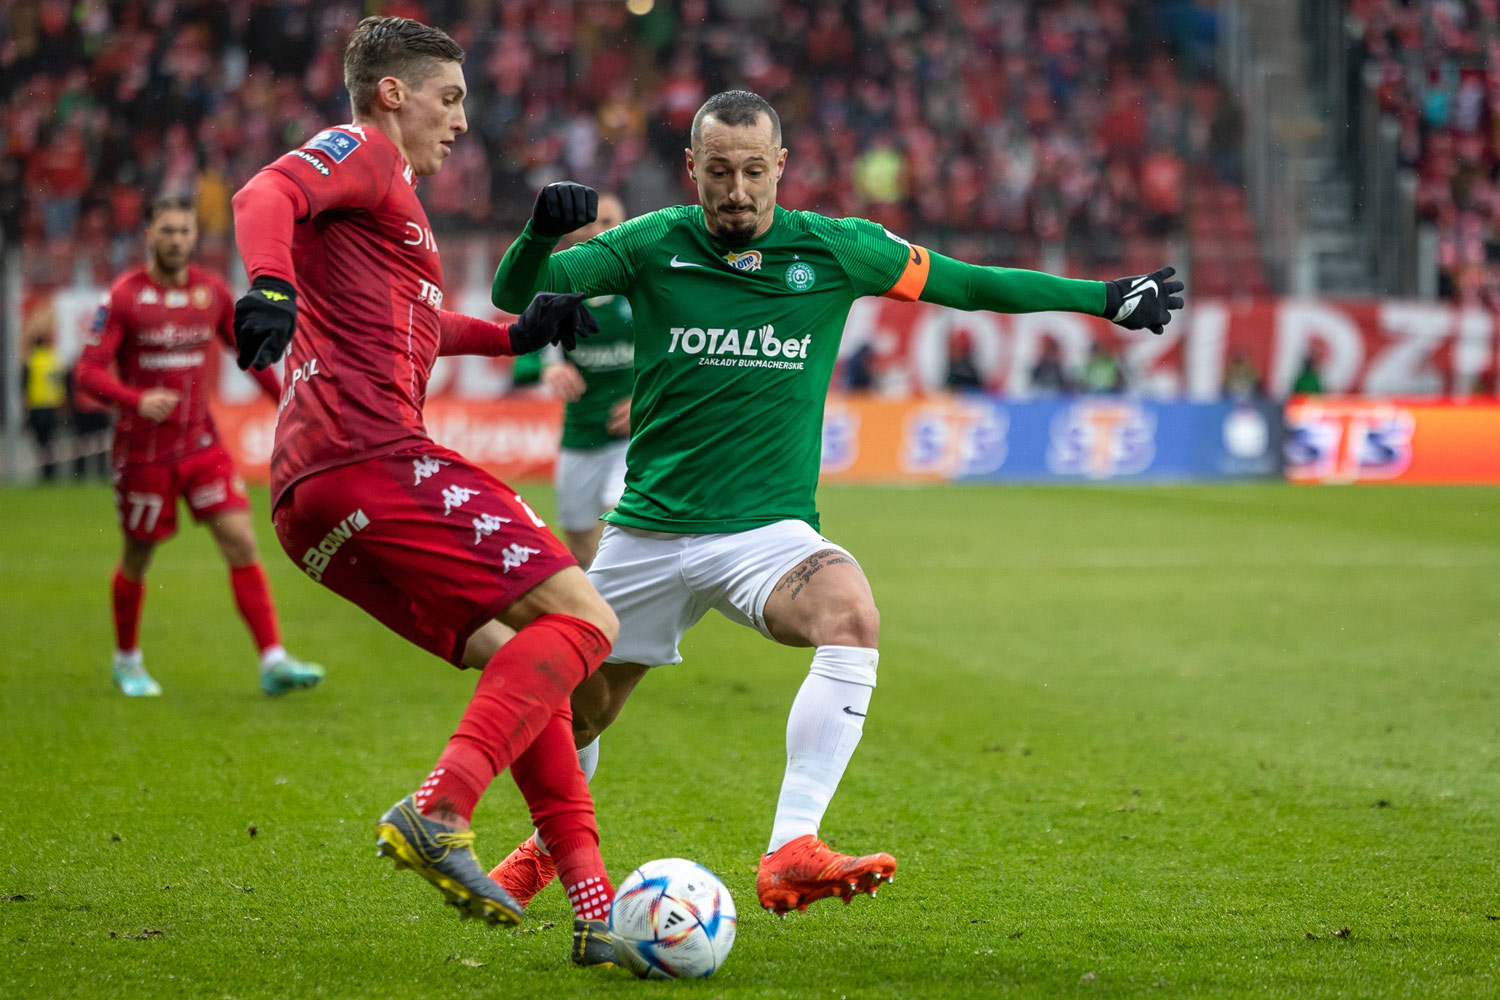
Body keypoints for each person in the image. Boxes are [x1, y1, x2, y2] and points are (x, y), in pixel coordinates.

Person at [489, 89, 1185, 916]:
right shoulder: (650, 242)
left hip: (766, 532)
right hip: (648, 530)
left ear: (781, 166)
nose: (737, 191)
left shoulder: (837, 248)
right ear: (691, 168)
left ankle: (792, 847)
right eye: (719, 172)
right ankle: (545, 849)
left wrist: (1103, 297)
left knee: (852, 614)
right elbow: (519, 291)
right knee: (576, 717)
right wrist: (539, 234)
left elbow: (968, 284)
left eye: (754, 171)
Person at [228, 15, 620, 967]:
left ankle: (594, 907)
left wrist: (517, 335)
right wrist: (269, 286)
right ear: (393, 93)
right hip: (370, 455)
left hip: (310, 507)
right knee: (585, 622)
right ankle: (441, 807)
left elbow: (421, 323)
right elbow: (261, 192)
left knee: (523, 663)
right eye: (450, 99)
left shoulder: (387, 203)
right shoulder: (364, 150)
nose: (461, 121)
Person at [74, 195, 324, 700]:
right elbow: (88, 372)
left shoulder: (211, 293)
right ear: (149, 234)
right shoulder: (124, 297)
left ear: (195, 236)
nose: (177, 240)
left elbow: (248, 356)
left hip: (201, 445)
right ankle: (127, 660)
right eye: (167, 231)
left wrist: (286, 403)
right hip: (144, 453)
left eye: (185, 231)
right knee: (138, 555)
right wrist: (137, 399)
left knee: (242, 541)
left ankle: (273, 660)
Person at [511, 192, 634, 568]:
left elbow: (677, 356)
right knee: (580, 548)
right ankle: (595, 604)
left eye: (608, 222)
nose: (597, 230)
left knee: (622, 528)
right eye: (589, 223)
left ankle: (618, 604)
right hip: (580, 437)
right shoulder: (556, 291)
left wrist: (645, 399)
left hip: (632, 438)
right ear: (573, 231)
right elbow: (522, 364)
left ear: (624, 228)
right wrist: (547, 368)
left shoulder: (637, 288)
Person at [21, 333, 65, 481]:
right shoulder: (53, 360)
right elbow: (59, 383)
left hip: (37, 407)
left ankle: (42, 473)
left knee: (39, 441)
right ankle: (51, 472)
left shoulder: (31, 360)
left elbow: (25, 384)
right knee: (50, 441)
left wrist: (25, 404)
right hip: (51, 406)